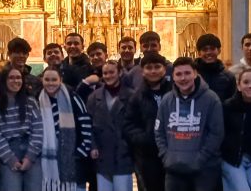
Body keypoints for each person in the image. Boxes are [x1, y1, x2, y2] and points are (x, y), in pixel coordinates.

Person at [155, 57, 224, 191]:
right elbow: (159, 131)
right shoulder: (167, 100)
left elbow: (216, 134)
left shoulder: (211, 99)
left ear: (195, 74)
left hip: (204, 169)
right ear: (173, 77)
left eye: (187, 73)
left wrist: (200, 159)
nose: (183, 78)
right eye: (178, 74)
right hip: (174, 169)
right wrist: (166, 156)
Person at [38, 67, 93, 191]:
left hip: (73, 158)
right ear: (42, 80)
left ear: (60, 80)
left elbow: (85, 123)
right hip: (47, 159)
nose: (50, 83)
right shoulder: (38, 100)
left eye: (54, 79)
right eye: (47, 79)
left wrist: (81, 151)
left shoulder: (72, 97)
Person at [123, 53, 172, 191]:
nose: (153, 71)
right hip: (148, 156)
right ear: (142, 71)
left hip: (174, 151)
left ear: (164, 69)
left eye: (157, 67)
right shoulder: (137, 96)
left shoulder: (175, 92)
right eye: (149, 68)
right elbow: (129, 124)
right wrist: (145, 139)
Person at [0, 66, 43, 191]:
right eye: (11, 78)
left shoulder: (30, 101)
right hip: (8, 150)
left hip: (30, 150)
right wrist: (10, 159)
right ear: (4, 81)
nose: (15, 81)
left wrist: (29, 156)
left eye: (18, 78)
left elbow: (38, 129)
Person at [221, 68, 251, 190]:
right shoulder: (228, 106)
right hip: (233, 159)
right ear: (239, 86)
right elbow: (220, 134)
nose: (250, 85)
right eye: (246, 82)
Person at [87, 61, 134, 191]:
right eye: (105, 73)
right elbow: (88, 124)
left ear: (119, 73)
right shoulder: (94, 97)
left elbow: (135, 123)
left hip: (122, 154)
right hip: (101, 153)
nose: (108, 76)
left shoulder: (131, 95)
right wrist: (92, 146)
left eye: (111, 72)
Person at [194, 34, 236, 101]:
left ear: (219, 51)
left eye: (212, 48)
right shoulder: (192, 74)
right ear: (199, 53)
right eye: (205, 49)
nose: (209, 52)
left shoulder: (229, 77)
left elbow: (232, 101)